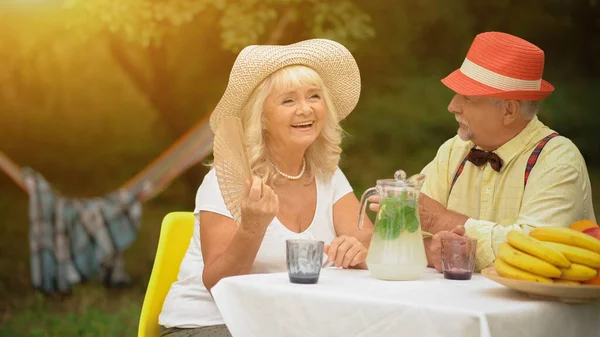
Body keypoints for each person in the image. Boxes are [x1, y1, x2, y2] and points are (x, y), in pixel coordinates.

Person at [158, 39, 373, 337]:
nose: (305, 109)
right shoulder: (227, 178)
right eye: (288, 101)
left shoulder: (328, 174)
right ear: (262, 118)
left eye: (314, 96)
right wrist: (251, 228)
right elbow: (218, 283)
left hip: (288, 324)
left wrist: (358, 252)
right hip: (210, 324)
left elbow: (370, 244)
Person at [373, 31, 596, 273]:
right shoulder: (453, 151)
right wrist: (430, 247)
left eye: (467, 97)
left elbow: (536, 250)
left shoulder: (558, 161)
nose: (452, 106)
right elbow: (402, 232)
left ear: (509, 110)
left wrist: (440, 220)